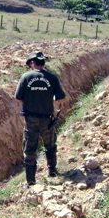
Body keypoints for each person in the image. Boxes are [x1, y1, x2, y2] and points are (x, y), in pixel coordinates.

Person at [15, 52, 66, 186]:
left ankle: (31, 182)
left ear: (32, 63)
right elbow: (60, 97)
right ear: (43, 63)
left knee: (30, 149)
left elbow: (18, 97)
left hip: (31, 119)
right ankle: (52, 172)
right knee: (50, 145)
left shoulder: (25, 77)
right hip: (47, 119)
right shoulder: (52, 78)